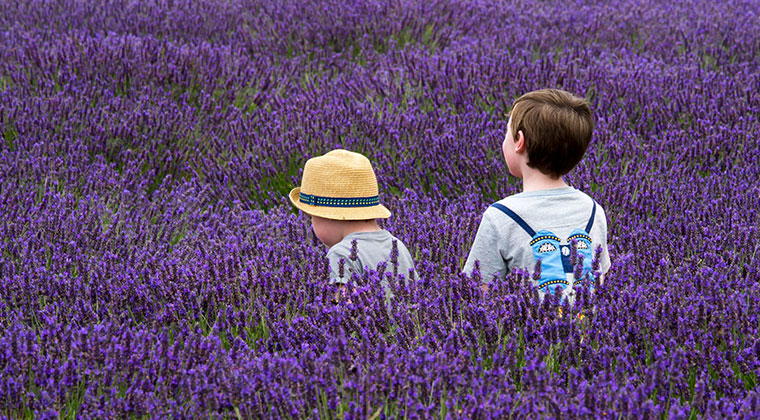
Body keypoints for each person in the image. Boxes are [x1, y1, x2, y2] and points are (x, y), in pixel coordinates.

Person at [464, 89, 611, 301]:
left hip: (526, 332)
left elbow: (479, 292)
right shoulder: (593, 210)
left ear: (519, 142)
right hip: (586, 332)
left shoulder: (500, 216)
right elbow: (599, 283)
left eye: (507, 132)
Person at [288, 149, 415, 301]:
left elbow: (347, 312)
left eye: (311, 217)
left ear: (327, 216)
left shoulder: (340, 254)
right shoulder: (397, 245)